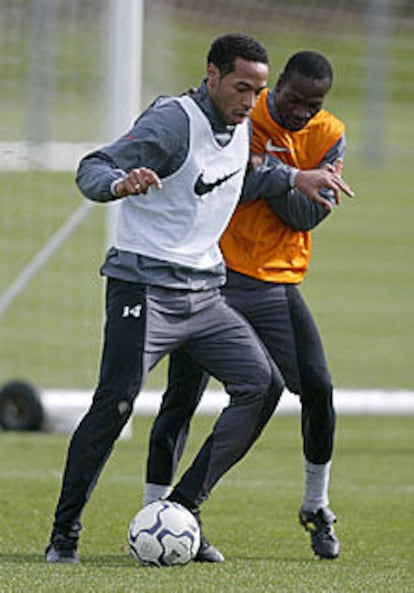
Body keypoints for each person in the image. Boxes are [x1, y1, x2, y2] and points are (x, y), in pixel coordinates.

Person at [45, 35, 351, 564]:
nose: (250, 103)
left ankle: (182, 509)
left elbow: (253, 171)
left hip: (205, 295)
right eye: (241, 88)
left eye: (257, 92)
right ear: (211, 75)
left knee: (262, 386)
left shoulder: (243, 125)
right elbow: (91, 167)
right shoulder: (172, 120)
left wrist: (296, 175)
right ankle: (64, 534)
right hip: (143, 287)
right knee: (117, 403)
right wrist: (120, 183)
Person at [144, 50, 348, 561]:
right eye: (294, 99)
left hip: (277, 283)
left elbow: (306, 217)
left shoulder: (330, 134)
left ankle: (315, 504)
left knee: (318, 388)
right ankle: (155, 512)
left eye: (313, 104)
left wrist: (264, 171)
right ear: (277, 86)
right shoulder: (244, 112)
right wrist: (288, 174)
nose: (301, 111)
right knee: (182, 396)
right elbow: (223, 187)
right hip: (215, 275)